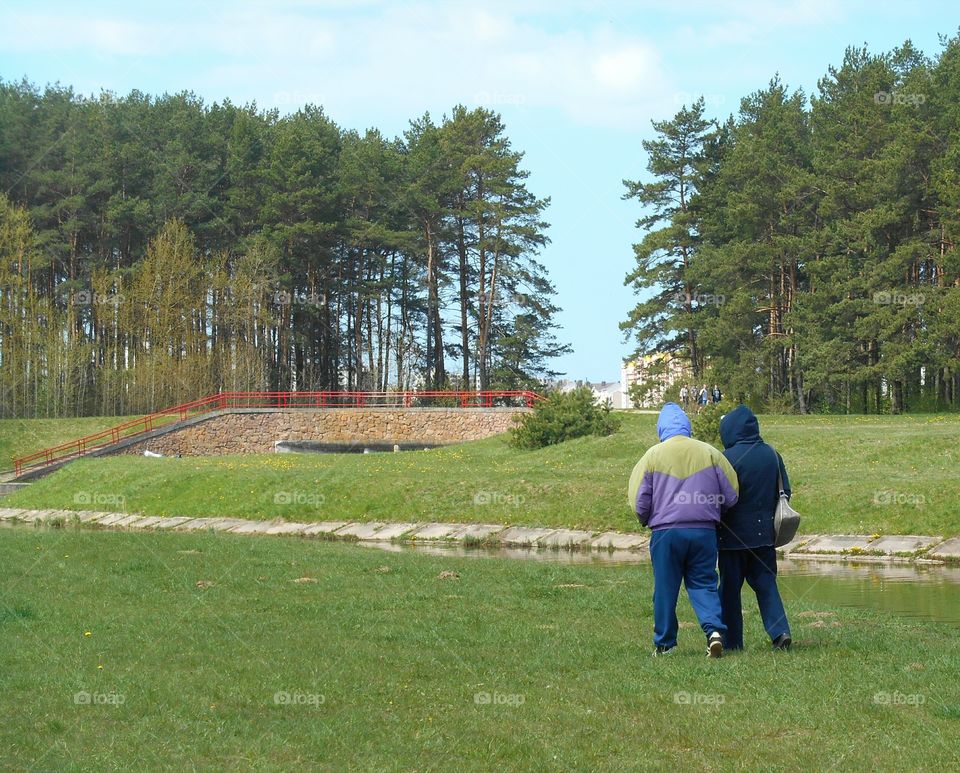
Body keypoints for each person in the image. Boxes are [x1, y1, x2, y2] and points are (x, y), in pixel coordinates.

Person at [627, 402, 739, 657]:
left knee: (665, 588)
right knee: (704, 584)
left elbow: (639, 499)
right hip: (704, 531)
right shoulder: (710, 453)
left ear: (661, 428)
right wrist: (715, 512)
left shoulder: (652, 456)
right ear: (688, 426)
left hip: (666, 532)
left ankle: (665, 644)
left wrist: (646, 518)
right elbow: (731, 494)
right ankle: (714, 632)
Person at [717, 405, 792, 651]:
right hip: (765, 536)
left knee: (729, 591)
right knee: (766, 585)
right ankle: (780, 631)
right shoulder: (772, 453)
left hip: (731, 538)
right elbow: (785, 492)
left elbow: (719, 498)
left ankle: (732, 642)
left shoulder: (726, 458)